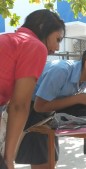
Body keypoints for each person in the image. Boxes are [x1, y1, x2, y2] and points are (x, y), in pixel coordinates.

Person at [15, 47, 86, 169]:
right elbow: (39, 106)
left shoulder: (85, 81)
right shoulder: (61, 70)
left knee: (51, 160)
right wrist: (78, 99)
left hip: (48, 114)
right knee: (43, 163)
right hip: (30, 111)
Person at [0, 9, 65, 169]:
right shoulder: (34, 45)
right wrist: (8, 158)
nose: (56, 48)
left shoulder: (7, 39)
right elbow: (19, 105)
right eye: (57, 39)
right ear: (43, 27)